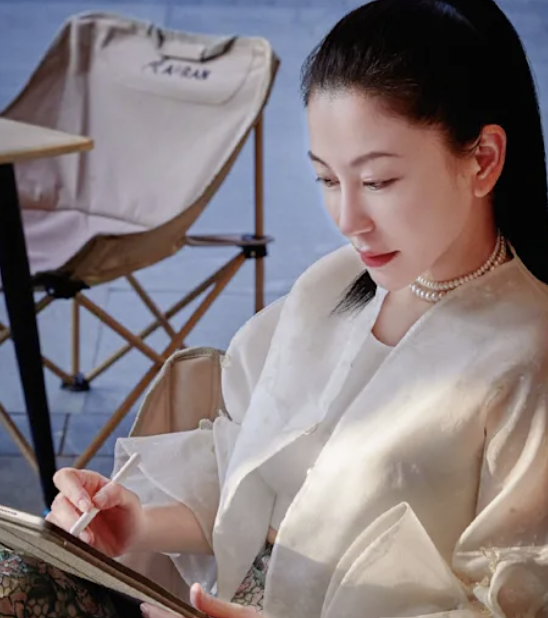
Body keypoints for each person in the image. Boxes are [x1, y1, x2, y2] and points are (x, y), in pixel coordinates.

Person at [3, 0, 548, 616]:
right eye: (327, 179)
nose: (348, 220)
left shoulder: (527, 354)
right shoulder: (335, 286)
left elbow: (511, 601)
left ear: (483, 160)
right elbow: (250, 474)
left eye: (378, 182)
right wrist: (136, 523)